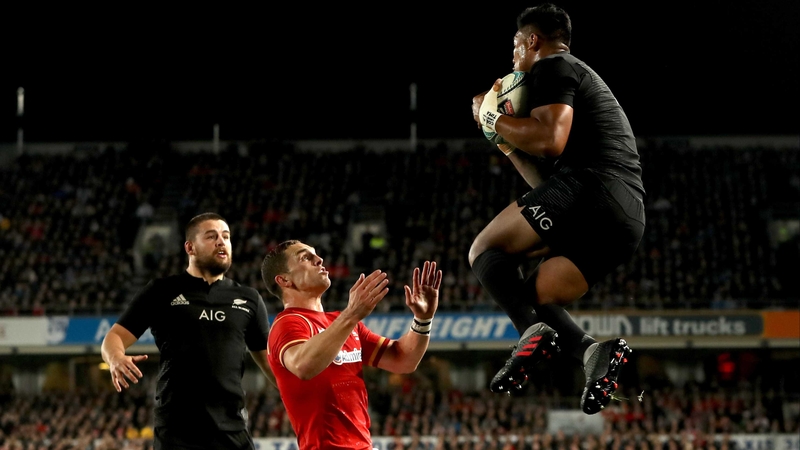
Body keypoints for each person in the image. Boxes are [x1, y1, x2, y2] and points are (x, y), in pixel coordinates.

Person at [469, 3, 645, 414]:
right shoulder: (576, 79)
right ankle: (591, 354)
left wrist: (491, 116)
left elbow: (550, 141)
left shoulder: (553, 66)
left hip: (593, 189)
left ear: (533, 41)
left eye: (516, 47)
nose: (514, 58)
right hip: (625, 219)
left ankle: (528, 333)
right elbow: (546, 186)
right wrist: (506, 141)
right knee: (535, 294)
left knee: (482, 249)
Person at [101, 212, 272, 449]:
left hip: (231, 429)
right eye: (211, 236)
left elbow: (271, 364)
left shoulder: (249, 299)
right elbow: (115, 337)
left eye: (226, 236)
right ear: (190, 247)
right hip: (176, 430)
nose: (221, 242)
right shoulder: (161, 291)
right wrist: (116, 357)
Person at [260, 240, 441, 450]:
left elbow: (403, 360)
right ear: (284, 280)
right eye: (305, 257)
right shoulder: (288, 323)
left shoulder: (343, 323)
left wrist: (423, 319)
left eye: (316, 254)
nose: (319, 260)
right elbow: (303, 365)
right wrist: (351, 314)